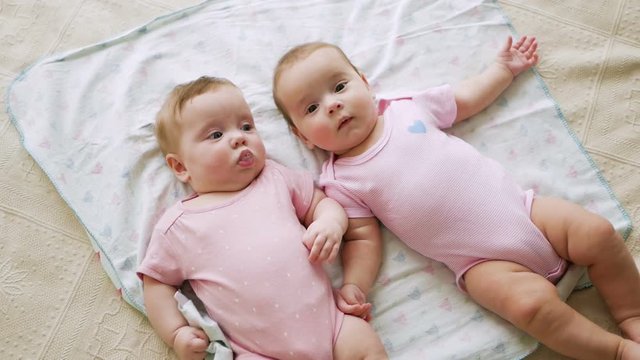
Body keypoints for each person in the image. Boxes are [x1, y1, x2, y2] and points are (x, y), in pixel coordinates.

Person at [271, 36, 640, 359]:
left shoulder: (405, 107)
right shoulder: (340, 180)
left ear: (365, 84)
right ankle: (617, 351)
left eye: (339, 87)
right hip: (481, 263)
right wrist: (355, 283)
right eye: (312, 108)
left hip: (527, 213)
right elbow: (362, 238)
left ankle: (631, 315)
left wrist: (503, 71)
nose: (332, 105)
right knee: (530, 308)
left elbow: (463, 100)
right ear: (303, 136)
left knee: (599, 233)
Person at [137, 76, 388, 360]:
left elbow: (323, 203)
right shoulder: (178, 227)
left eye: (246, 126)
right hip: (260, 352)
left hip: (333, 327)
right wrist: (176, 333)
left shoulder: (274, 177)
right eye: (216, 135)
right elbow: (156, 282)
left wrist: (330, 222)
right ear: (180, 166)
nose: (239, 137)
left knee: (365, 343)